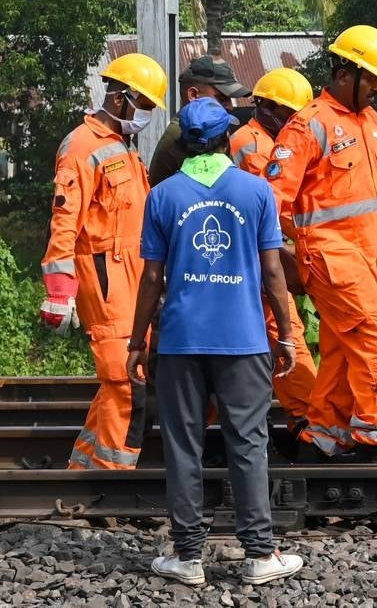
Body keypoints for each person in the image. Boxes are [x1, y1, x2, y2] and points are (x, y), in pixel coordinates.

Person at [126, 97, 303, 585]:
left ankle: (187, 558)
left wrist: (137, 340)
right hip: (243, 340)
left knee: (183, 446)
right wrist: (286, 334)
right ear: (227, 138)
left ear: (184, 142)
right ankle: (260, 556)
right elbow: (272, 271)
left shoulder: (162, 196)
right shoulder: (256, 192)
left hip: (181, 341)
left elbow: (150, 279)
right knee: (248, 444)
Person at [265, 25, 377, 463]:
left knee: (341, 354)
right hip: (334, 263)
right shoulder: (307, 126)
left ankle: (322, 439)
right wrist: (297, 250)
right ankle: (374, 437)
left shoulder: (370, 123)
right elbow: (270, 203)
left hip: (367, 263)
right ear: (345, 72)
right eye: (374, 80)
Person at [40, 53, 167, 469]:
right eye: (144, 106)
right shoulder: (82, 146)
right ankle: (113, 478)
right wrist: (60, 291)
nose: (147, 115)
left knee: (123, 377)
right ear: (119, 100)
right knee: (127, 380)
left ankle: (84, 470)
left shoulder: (120, 147)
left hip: (129, 277)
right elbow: (64, 220)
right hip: (105, 275)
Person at [229, 67, 317, 426]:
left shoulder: (276, 143)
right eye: (288, 114)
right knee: (285, 333)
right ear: (265, 107)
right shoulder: (252, 146)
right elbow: (268, 210)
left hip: (259, 257)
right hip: (254, 259)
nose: (293, 121)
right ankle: (308, 414)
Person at [148, 55, 252, 187]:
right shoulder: (183, 134)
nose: (230, 106)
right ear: (193, 95)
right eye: (222, 98)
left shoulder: (207, 129)